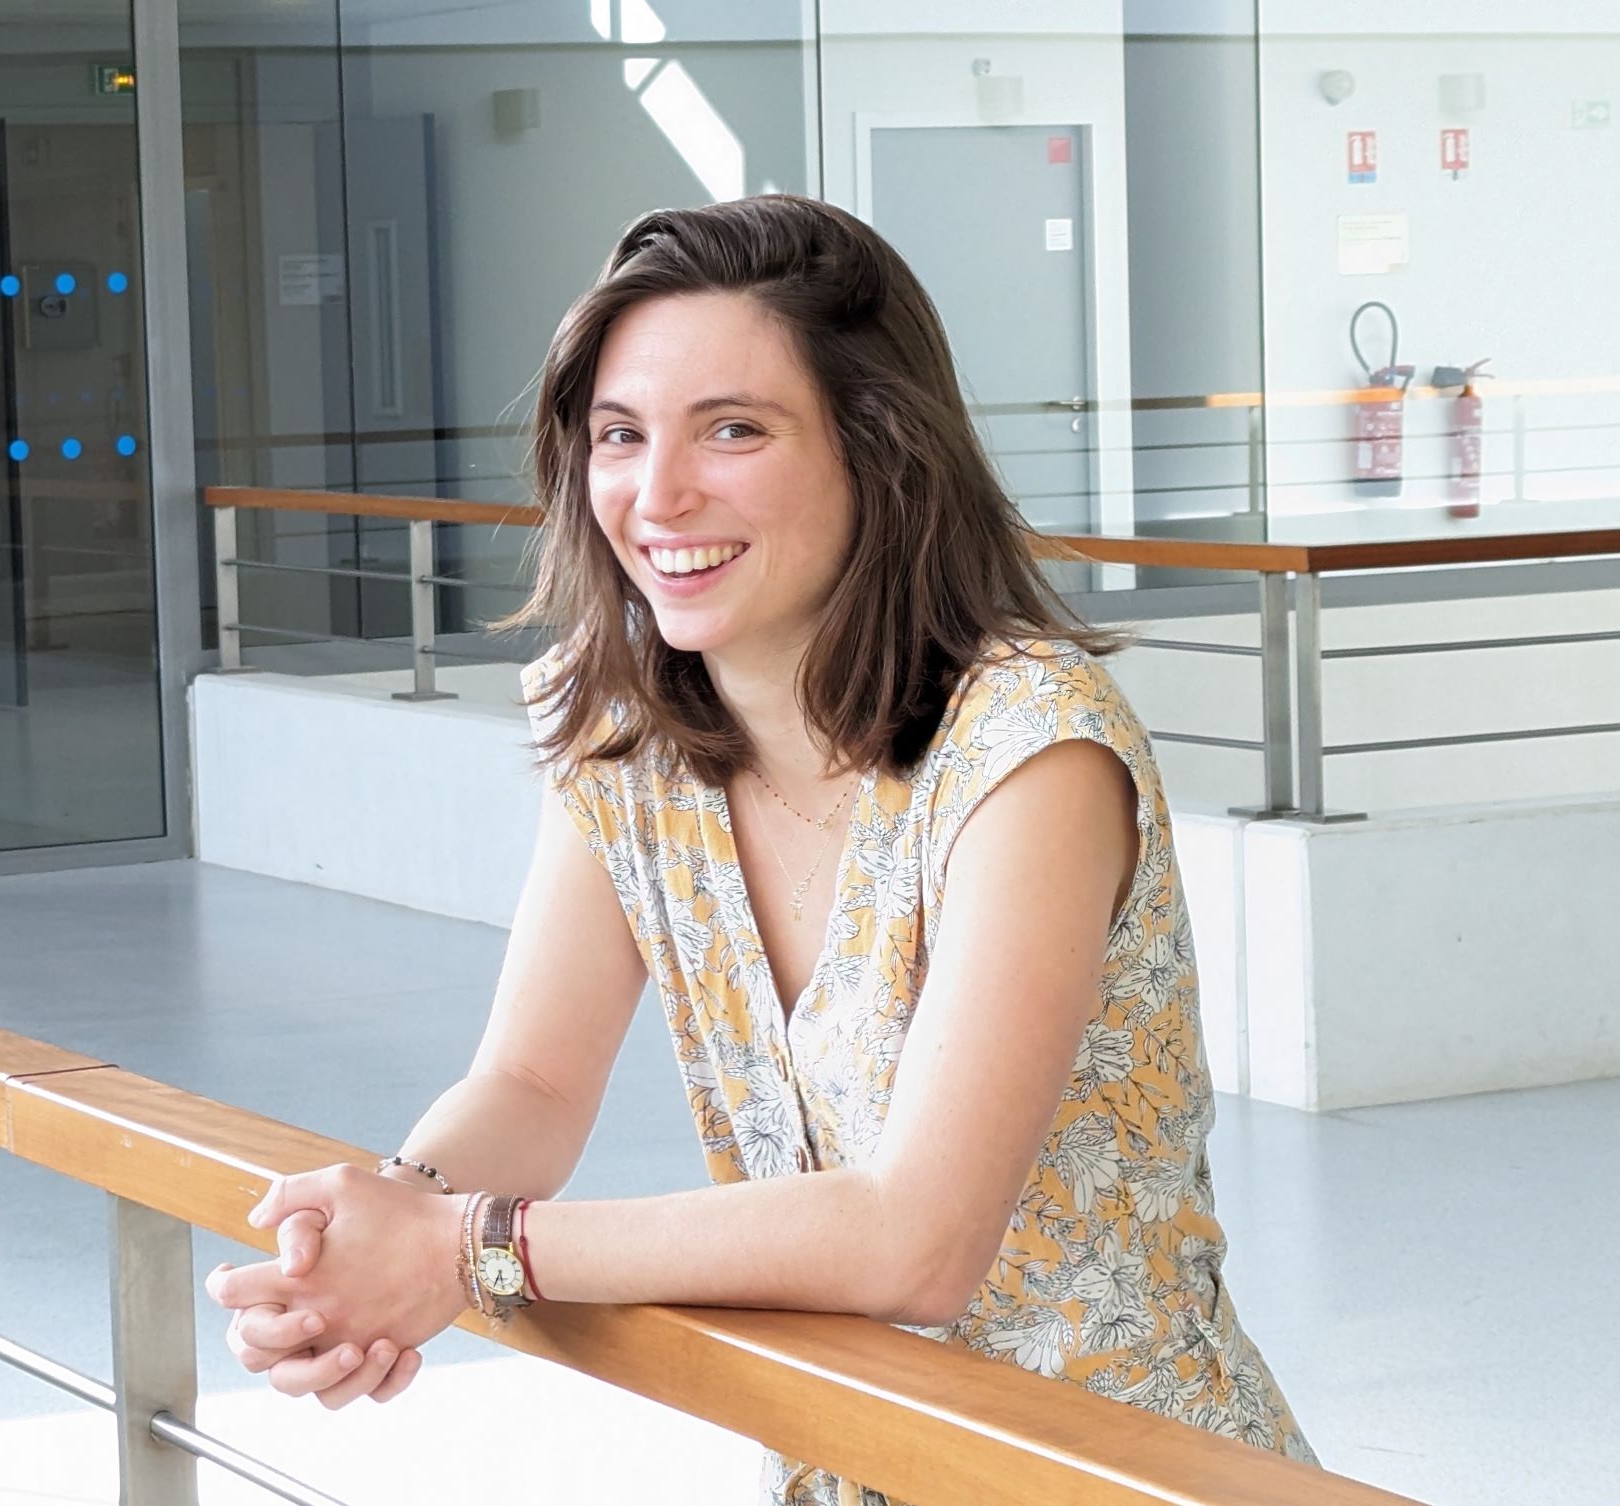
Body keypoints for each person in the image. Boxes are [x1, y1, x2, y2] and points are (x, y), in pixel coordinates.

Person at [206, 194, 1317, 1503]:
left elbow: (918, 1237)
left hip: (1112, 1471)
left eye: (733, 429)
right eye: (619, 435)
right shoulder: (632, 736)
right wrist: (385, 1223)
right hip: (849, 1452)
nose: (657, 492)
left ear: (879, 452)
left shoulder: (1031, 753)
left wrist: (470, 1247)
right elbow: (533, 1084)